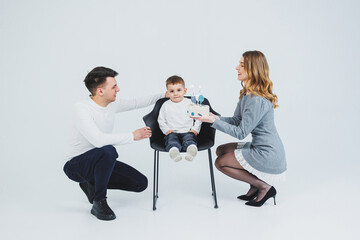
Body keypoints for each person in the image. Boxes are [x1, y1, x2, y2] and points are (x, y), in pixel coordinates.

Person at [63, 66, 165, 220]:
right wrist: (132, 136)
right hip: (76, 165)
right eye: (114, 86)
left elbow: (137, 102)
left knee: (140, 183)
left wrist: (166, 95)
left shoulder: (111, 104)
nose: (118, 89)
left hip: (100, 161)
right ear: (100, 91)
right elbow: (98, 140)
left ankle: (92, 184)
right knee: (108, 150)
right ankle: (99, 202)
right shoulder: (82, 108)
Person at [192, 51, 287, 207]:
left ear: (253, 69)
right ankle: (254, 187)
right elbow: (237, 121)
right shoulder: (247, 94)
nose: (237, 67)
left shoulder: (257, 100)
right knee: (221, 150)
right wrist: (214, 117)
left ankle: (264, 187)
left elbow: (241, 132)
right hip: (258, 145)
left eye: (242, 65)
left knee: (221, 162)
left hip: (268, 153)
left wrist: (211, 121)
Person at [157, 75, 201, 162]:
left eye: (179, 90)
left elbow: (199, 118)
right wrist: (167, 130)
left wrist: (195, 129)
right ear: (168, 93)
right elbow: (161, 120)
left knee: (189, 139)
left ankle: (191, 149)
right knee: (171, 140)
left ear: (185, 91)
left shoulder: (190, 103)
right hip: (172, 132)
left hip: (188, 131)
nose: (176, 93)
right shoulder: (165, 105)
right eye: (172, 91)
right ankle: (174, 151)